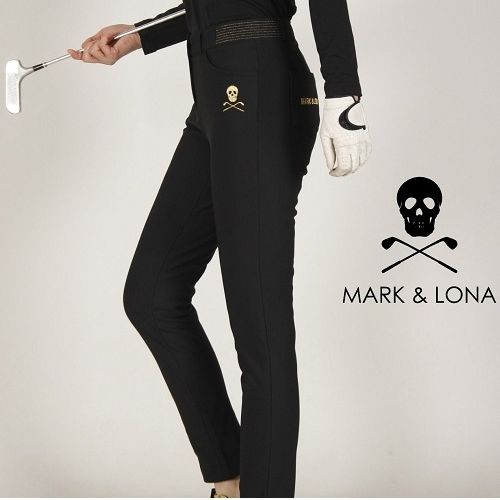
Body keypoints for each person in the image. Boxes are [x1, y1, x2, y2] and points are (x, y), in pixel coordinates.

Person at [68, 1, 372, 497]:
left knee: (260, 329)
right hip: (214, 95)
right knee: (151, 294)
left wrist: (344, 92)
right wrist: (139, 36)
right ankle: (232, 480)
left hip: (261, 85)